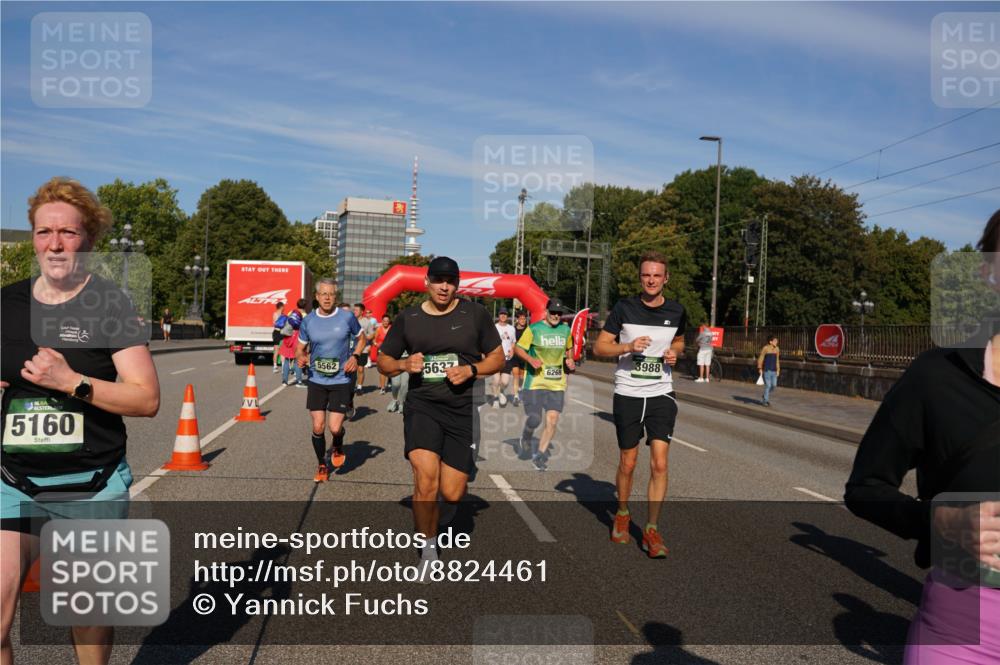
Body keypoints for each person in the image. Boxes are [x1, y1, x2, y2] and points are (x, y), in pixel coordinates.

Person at [1, 177, 160, 665]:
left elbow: (146, 398)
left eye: (67, 233)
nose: (55, 243)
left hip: (90, 486)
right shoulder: (6, 304)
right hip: (13, 482)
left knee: (85, 615)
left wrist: (72, 382)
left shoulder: (111, 305)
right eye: (44, 231)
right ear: (33, 238)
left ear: (88, 241)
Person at [845, 208, 1000, 664]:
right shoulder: (937, 376)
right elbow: (865, 488)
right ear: (988, 273)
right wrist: (938, 521)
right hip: (968, 624)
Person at [377, 257, 504, 572]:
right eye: (438, 280)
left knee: (452, 492)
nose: (444, 287)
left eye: (450, 281)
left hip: (461, 410)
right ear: (427, 282)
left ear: (457, 284)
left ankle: (439, 517)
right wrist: (404, 364)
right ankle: (428, 549)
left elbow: (497, 358)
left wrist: (471, 370)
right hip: (422, 407)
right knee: (426, 479)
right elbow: (383, 361)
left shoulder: (475, 315)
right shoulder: (409, 318)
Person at [593, 250, 686, 559]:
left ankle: (652, 530)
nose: (651, 280)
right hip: (628, 393)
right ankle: (622, 512)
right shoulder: (625, 308)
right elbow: (600, 347)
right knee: (628, 462)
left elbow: (680, 341)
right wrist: (628, 346)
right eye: (646, 275)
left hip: (661, 393)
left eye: (657, 275)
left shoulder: (677, 310)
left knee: (660, 463)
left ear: (666, 278)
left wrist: (674, 352)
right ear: (640, 277)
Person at [296, 279, 365, 483]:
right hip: (316, 380)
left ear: (336, 296)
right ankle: (322, 465)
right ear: (317, 297)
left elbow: (362, 339)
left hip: (341, 380)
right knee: (318, 426)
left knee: (335, 428)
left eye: (331, 294)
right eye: (323, 294)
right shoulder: (308, 321)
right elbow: (300, 348)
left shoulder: (347, 317)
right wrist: (301, 357)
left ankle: (337, 444)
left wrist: (355, 356)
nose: (327, 298)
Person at [512, 298, 575, 471]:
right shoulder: (534, 329)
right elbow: (518, 348)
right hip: (535, 382)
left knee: (552, 420)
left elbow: (569, 348)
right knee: (535, 419)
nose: (556, 316)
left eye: (559, 313)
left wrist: (570, 360)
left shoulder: (565, 330)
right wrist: (530, 359)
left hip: (556, 383)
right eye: (553, 312)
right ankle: (526, 435)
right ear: (546, 312)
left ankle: (539, 456)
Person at [490, 308, 517, 408]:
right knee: (496, 380)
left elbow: (513, 342)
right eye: (501, 313)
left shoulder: (511, 328)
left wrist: (512, 350)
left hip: (507, 358)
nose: (503, 315)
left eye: (505, 314)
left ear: (507, 316)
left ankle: (501, 391)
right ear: (498, 315)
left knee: (505, 382)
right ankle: (495, 398)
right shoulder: (493, 327)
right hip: (496, 357)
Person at [352, 304, 375, 394]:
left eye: (356, 310)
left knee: (360, 369)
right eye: (354, 310)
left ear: (362, 312)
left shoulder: (367, 322)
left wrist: (364, 338)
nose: (354, 312)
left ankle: (359, 387)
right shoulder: (351, 320)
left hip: (363, 349)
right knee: (352, 369)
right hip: (352, 349)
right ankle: (350, 386)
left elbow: (372, 334)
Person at [511, 310, 529, 406]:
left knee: (522, 377)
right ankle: (516, 396)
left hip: (524, 356)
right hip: (514, 356)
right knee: (516, 375)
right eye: (521, 318)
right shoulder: (512, 330)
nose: (523, 320)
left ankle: (519, 388)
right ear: (517, 319)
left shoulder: (528, 330)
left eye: (524, 319)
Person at [756, 335, 780, 406]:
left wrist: (778, 370)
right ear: (770, 342)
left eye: (776, 341)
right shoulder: (765, 348)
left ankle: (765, 395)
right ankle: (765, 401)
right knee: (768, 386)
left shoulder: (777, 349)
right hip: (767, 370)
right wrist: (760, 368)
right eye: (775, 341)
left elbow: (777, 360)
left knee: (774, 385)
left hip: (774, 371)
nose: (776, 342)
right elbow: (761, 358)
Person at [373, 315, 391, 394]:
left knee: (390, 368)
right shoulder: (379, 329)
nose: (386, 322)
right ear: (382, 321)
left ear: (389, 321)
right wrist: (376, 344)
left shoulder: (392, 328)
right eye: (384, 321)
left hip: (391, 351)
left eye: (387, 321)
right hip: (381, 351)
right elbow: (374, 340)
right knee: (382, 370)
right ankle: (382, 387)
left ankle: (390, 380)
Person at [272, 301, 286, 373]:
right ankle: (275, 366)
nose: (284, 308)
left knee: (282, 350)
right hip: (277, 333)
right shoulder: (275, 314)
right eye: (283, 307)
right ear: (281, 307)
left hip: (281, 333)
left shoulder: (283, 315)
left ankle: (283, 367)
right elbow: (276, 324)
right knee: (277, 350)